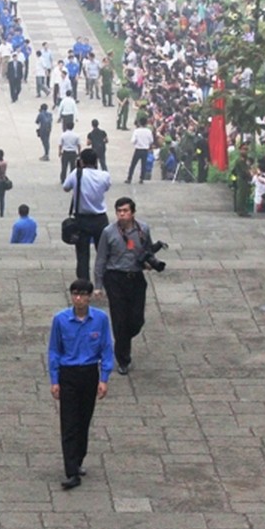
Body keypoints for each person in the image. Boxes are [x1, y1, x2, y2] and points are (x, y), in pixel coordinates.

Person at [47, 280, 113, 490]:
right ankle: (71, 471)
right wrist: (55, 380)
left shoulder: (100, 319)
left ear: (89, 297)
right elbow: (54, 351)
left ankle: (78, 458)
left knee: (84, 421)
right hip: (68, 374)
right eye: (75, 294)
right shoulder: (60, 320)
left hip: (89, 373)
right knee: (69, 423)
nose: (78, 299)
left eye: (82, 294)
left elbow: (106, 348)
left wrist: (104, 378)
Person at [94, 197, 155, 375]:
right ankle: (123, 358)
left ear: (132, 213)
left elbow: (148, 250)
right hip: (115, 278)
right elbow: (101, 259)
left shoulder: (143, 229)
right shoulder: (108, 232)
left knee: (136, 320)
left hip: (136, 277)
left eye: (125, 211)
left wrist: (149, 263)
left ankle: (124, 339)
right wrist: (98, 284)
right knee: (120, 319)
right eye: (119, 211)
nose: (122, 214)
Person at [62, 149, 111, 281]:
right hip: (100, 218)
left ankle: (84, 283)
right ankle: (103, 281)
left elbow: (65, 187)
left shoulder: (76, 174)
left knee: (82, 254)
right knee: (103, 253)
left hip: (82, 219)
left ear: (81, 161)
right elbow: (106, 187)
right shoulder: (104, 175)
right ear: (96, 161)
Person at [125, 117, 155, 184]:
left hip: (138, 149)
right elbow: (151, 141)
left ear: (140, 123)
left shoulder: (137, 131)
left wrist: (137, 143)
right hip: (145, 150)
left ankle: (129, 178)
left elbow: (133, 141)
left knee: (133, 164)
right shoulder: (149, 131)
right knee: (143, 165)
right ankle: (141, 179)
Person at [232, 143, 252, 217]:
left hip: (244, 179)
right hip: (241, 179)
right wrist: (250, 175)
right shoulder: (240, 160)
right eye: (244, 149)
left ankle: (242, 209)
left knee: (244, 194)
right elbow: (246, 171)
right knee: (241, 194)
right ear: (240, 150)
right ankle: (241, 210)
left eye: (246, 149)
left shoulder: (245, 160)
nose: (245, 151)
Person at [58, 119, 81, 183]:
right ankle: (72, 179)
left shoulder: (63, 135)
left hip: (65, 152)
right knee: (73, 167)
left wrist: (59, 152)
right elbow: (79, 145)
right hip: (73, 152)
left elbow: (60, 144)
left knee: (64, 167)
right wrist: (79, 153)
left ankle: (63, 179)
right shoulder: (76, 135)